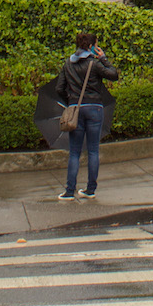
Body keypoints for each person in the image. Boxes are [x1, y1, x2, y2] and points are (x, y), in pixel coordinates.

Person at [57, 31, 119, 200]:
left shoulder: (68, 64)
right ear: (92, 46)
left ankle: (69, 191)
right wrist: (104, 58)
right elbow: (114, 75)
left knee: (74, 152)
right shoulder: (95, 64)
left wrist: (71, 101)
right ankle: (90, 190)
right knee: (93, 150)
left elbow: (59, 88)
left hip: (76, 108)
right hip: (94, 108)